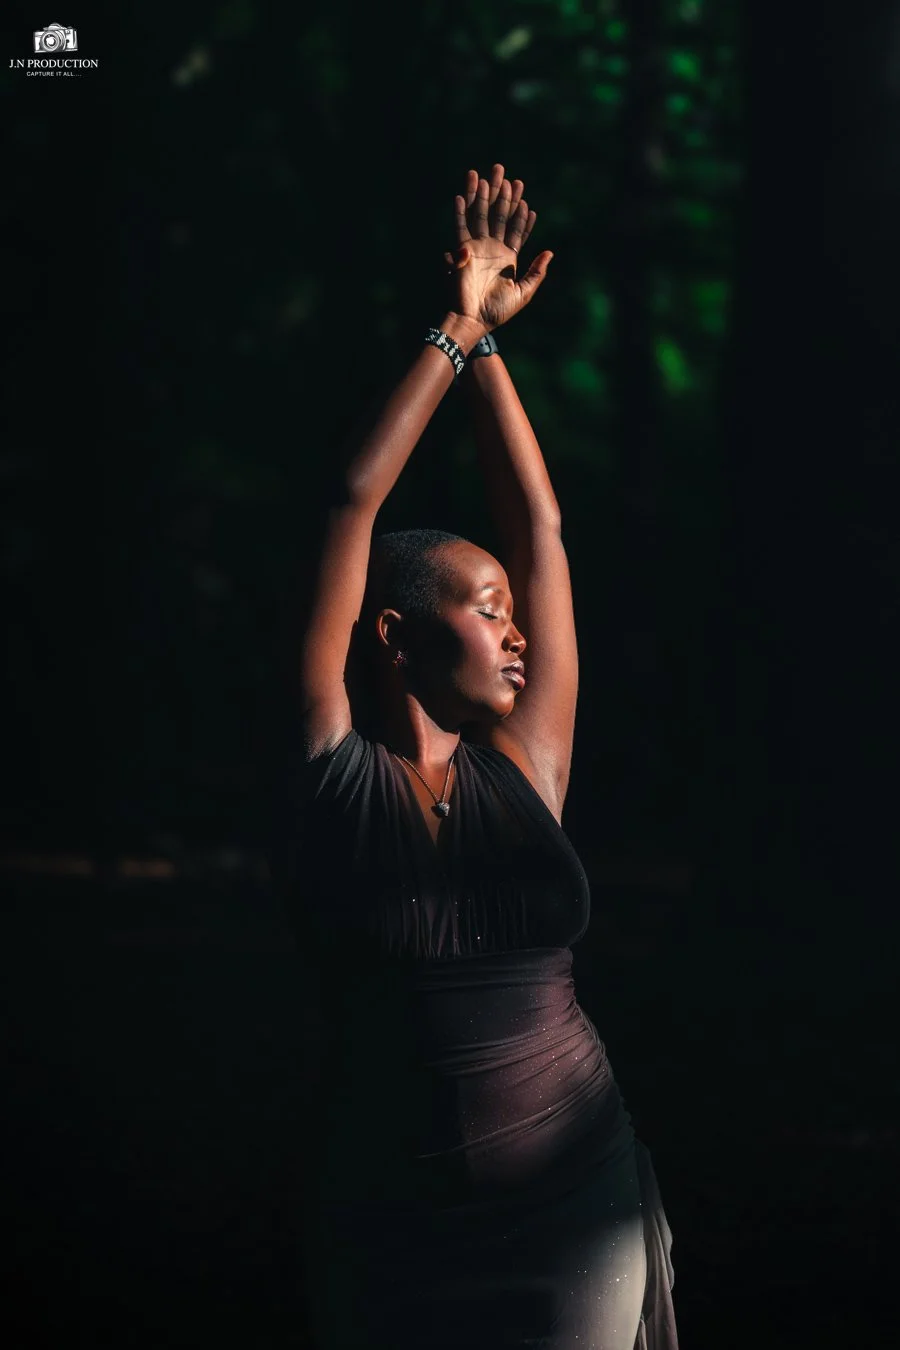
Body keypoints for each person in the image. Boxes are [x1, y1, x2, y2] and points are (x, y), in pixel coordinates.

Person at [278, 164, 678, 1350]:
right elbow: (351, 507)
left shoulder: (528, 766)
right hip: (388, 1224)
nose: (514, 627)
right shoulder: (330, 775)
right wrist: (452, 331)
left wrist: (496, 345)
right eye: (482, 603)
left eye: (513, 610)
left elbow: (541, 528)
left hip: (578, 1211)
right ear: (392, 637)